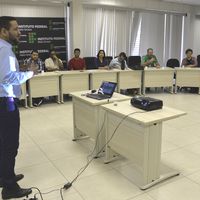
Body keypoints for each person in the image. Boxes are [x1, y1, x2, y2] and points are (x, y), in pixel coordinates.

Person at [0, 16, 38, 199]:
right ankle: (9, 187)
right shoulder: (4, 49)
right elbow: (7, 78)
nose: (19, 32)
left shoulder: (3, 48)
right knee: (10, 145)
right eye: (15, 29)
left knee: (3, 143)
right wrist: (30, 72)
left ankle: (4, 176)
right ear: (3, 31)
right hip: (6, 101)